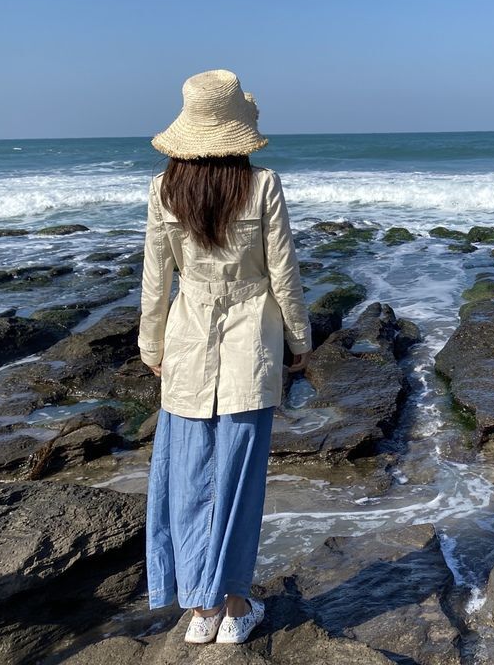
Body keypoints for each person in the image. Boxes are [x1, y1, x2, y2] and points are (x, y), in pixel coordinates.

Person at [138, 69, 312, 644]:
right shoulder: (262, 185)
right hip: (250, 345)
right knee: (239, 481)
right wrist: (300, 342)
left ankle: (199, 611)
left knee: (187, 480)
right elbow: (283, 275)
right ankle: (235, 607)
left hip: (186, 343)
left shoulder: (165, 188)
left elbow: (156, 280)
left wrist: (151, 345)